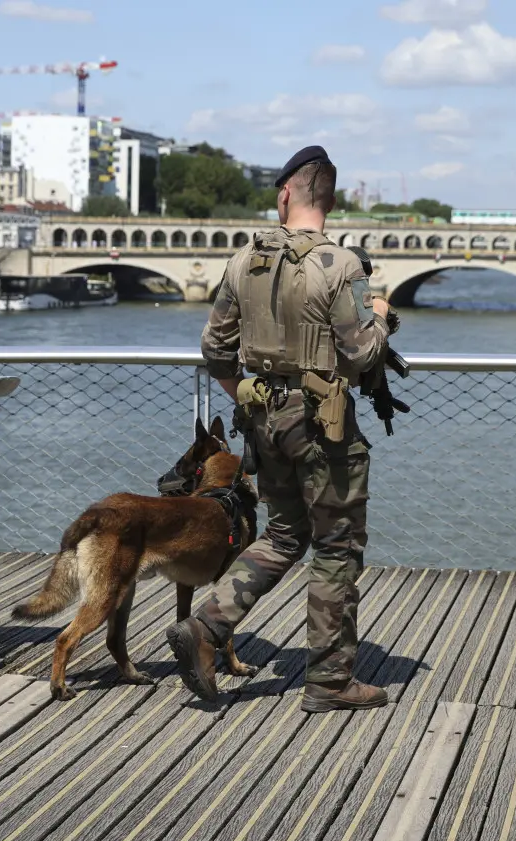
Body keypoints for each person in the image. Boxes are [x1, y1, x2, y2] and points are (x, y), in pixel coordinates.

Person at [165, 145, 396, 713]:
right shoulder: (340, 266)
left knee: (285, 533)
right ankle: (331, 682)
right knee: (336, 548)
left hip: (263, 424)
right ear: (331, 199)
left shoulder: (244, 262)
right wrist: (383, 315)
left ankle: (206, 627)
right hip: (323, 428)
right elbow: (363, 352)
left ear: (286, 194)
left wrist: (245, 395)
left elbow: (215, 351)